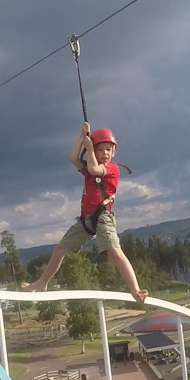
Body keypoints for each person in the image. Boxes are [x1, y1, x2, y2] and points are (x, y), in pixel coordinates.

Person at [24, 122, 148, 303]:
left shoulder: (112, 168)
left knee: (114, 251)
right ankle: (42, 282)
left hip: (103, 218)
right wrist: (82, 137)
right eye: (100, 150)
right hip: (86, 219)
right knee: (60, 249)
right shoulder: (89, 168)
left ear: (113, 152)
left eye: (108, 150)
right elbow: (73, 159)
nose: (105, 153)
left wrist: (89, 148)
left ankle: (136, 290)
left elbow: (94, 169)